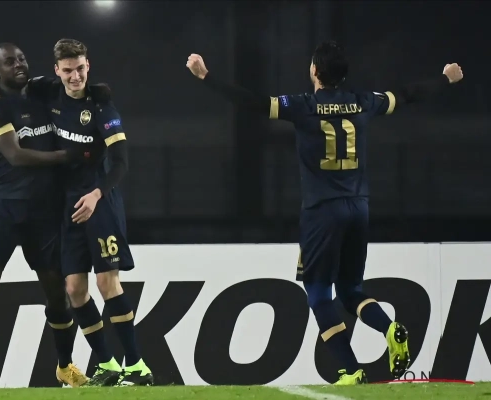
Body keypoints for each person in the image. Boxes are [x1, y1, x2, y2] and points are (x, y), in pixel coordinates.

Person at [186, 41, 463, 385]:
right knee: (351, 290)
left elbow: (253, 102)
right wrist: (445, 79)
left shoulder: (303, 106)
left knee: (318, 293)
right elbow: (407, 95)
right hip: (358, 207)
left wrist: (206, 77)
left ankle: (351, 369)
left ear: (315, 71)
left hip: (321, 212)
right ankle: (390, 328)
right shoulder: (363, 101)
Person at [0, 39, 153, 386]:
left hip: (98, 203)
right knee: (73, 289)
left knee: (106, 282)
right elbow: (13, 83)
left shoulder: (102, 107)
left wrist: (97, 194)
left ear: (89, 66)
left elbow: (121, 162)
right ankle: (108, 364)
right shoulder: (48, 94)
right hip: (67, 207)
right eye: (68, 70)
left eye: (81, 69)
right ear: (57, 71)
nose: (75, 76)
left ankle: (136, 365)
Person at [0, 43, 92, 389]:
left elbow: (78, 84)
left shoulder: (43, 91)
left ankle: (65, 366)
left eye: (20, 59)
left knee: (57, 292)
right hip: (2, 209)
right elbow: (16, 156)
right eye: (9, 62)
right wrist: (67, 156)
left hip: (44, 212)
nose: (18, 64)